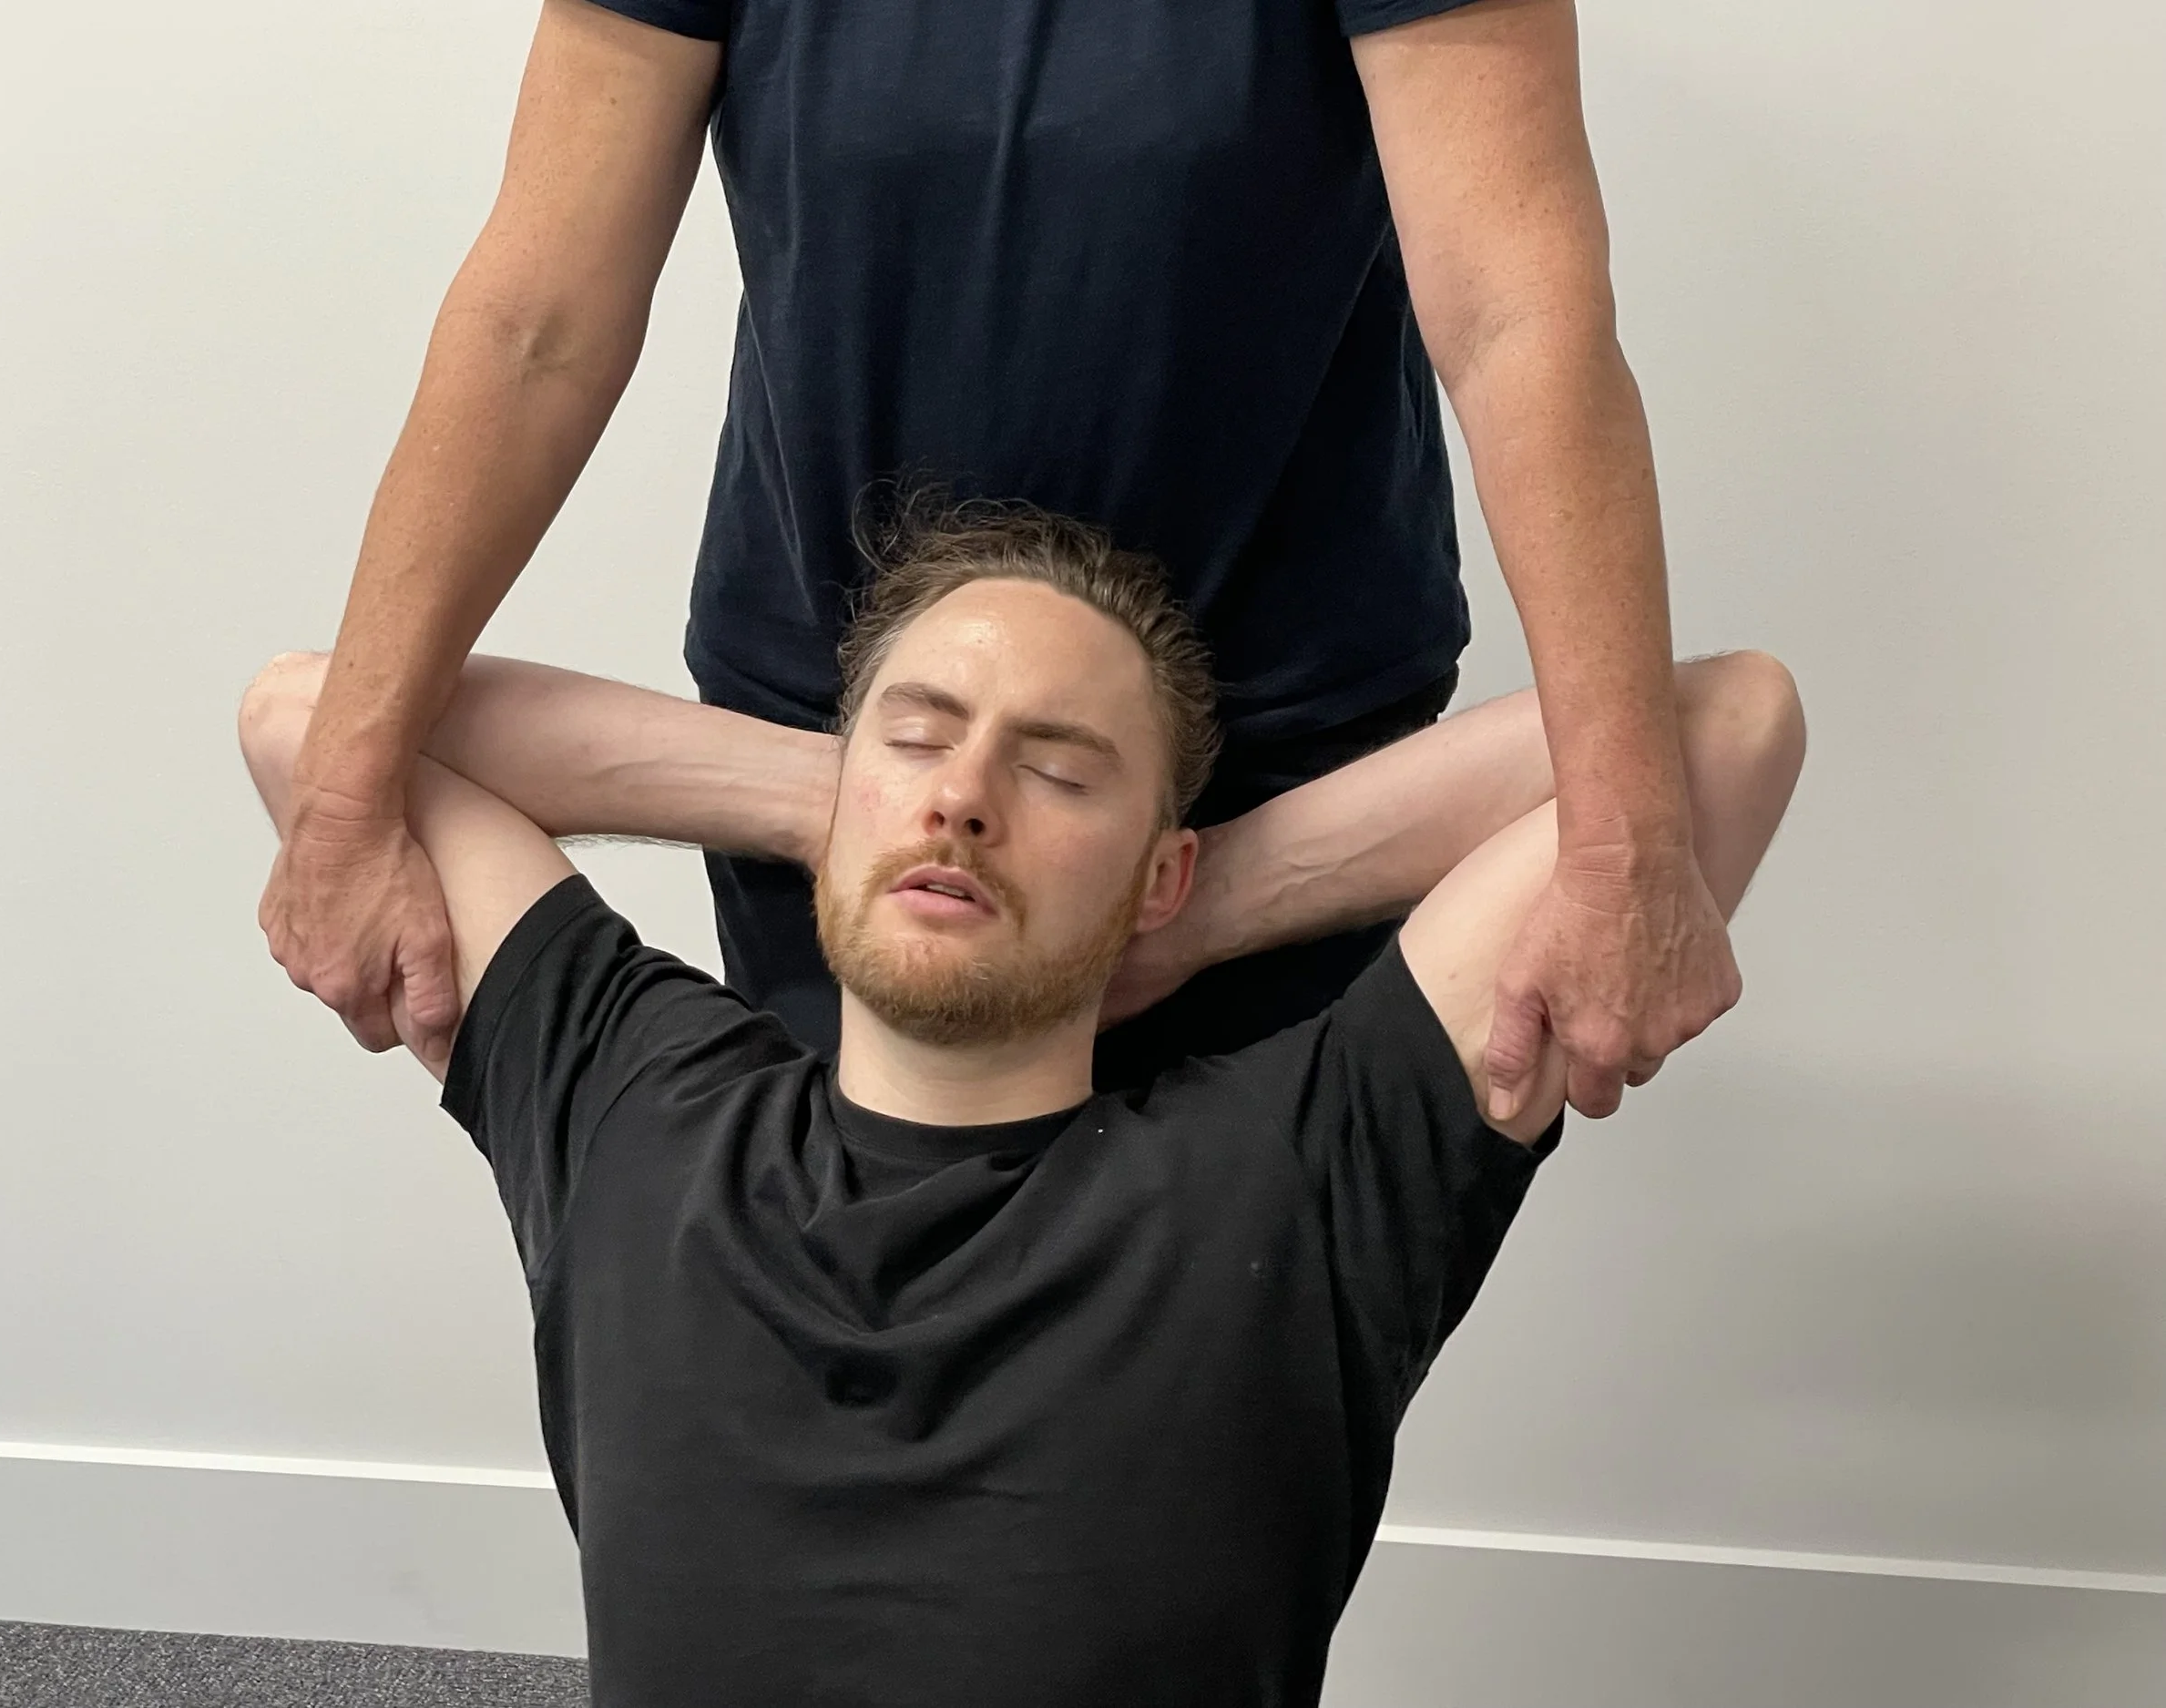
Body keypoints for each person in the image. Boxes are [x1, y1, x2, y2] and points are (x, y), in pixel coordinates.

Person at [240, 504, 1804, 1707]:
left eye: (1059, 773)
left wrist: (1203, 901)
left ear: (1160, 867)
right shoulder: (634, 1096)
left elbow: (1727, 727)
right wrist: (829, 799)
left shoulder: (1306, 1167)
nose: (964, 793)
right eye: (921, 734)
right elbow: (310, 722)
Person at [259, 0, 1742, 1120]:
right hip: (848, 746)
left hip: (1277, 763)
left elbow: (1518, 318)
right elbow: (539, 322)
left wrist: (1621, 846)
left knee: (1232, 1370)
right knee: (817, 1327)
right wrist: (343, 801)